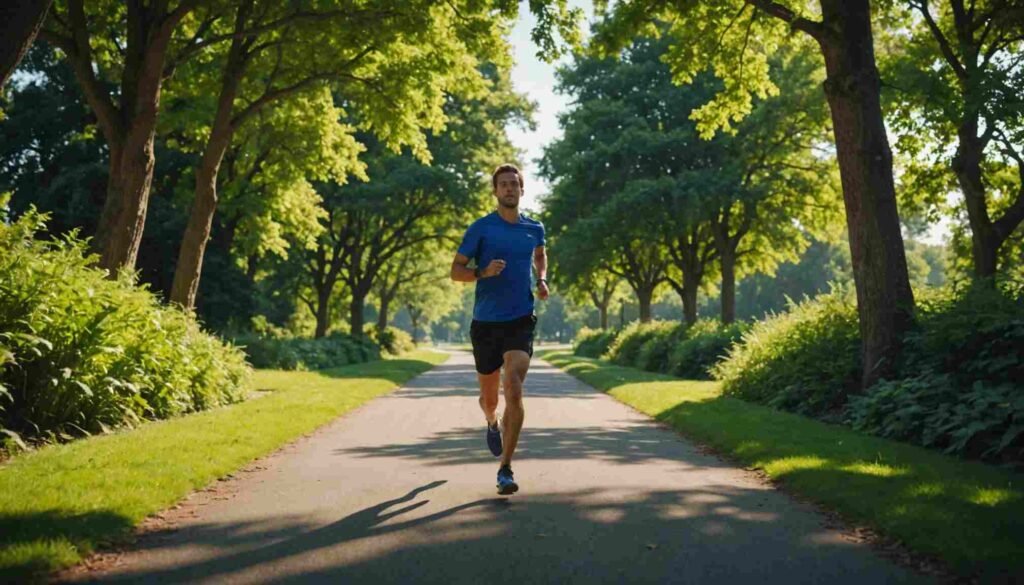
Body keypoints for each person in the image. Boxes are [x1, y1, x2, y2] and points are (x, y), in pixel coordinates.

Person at [450, 163, 548, 495]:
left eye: (514, 184)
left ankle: (505, 467)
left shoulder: (534, 228)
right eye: (503, 184)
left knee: (514, 388)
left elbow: (540, 255)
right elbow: (456, 271)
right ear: (495, 191)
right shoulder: (481, 229)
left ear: (522, 190)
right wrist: (483, 272)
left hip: (520, 318)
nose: (508, 188)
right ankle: (492, 422)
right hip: (486, 322)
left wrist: (542, 279)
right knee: (490, 399)